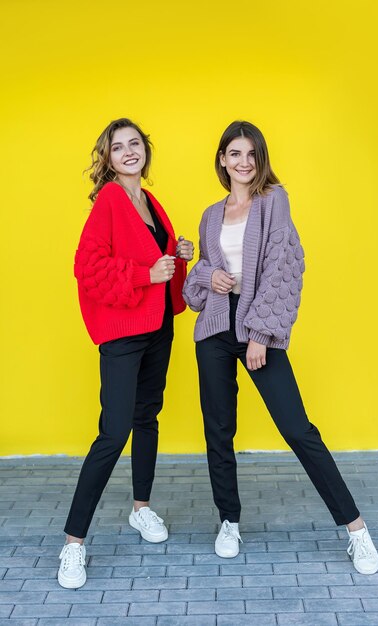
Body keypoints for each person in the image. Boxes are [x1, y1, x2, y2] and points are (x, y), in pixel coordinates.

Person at [182, 120, 378, 575]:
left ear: (260, 159)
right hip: (213, 331)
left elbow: (284, 269)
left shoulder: (274, 202)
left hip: (255, 330)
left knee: (297, 429)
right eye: (235, 153)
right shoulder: (211, 214)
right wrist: (203, 273)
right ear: (222, 160)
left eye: (251, 154)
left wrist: (260, 334)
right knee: (218, 430)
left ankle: (356, 530)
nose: (244, 162)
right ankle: (228, 521)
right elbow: (200, 283)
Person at [58, 118, 194, 589]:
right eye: (119, 147)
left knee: (146, 417)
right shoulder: (112, 199)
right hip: (124, 332)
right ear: (109, 158)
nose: (129, 152)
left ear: (145, 151)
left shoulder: (150, 203)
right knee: (113, 432)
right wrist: (145, 275)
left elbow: (159, 264)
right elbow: (87, 266)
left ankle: (141, 509)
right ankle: (74, 544)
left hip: (157, 329)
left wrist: (178, 256)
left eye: (135, 144)